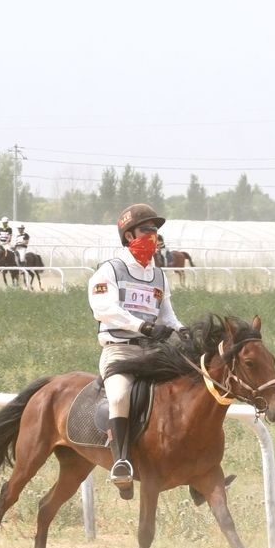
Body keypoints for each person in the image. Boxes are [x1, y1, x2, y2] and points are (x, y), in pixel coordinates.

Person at [86, 204, 187, 499]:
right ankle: (121, 461)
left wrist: (184, 332)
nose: (153, 235)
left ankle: (194, 469)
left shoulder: (159, 275)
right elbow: (105, 310)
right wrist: (142, 327)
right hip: (119, 352)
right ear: (129, 235)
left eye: (156, 231)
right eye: (147, 230)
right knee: (118, 396)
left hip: (152, 353)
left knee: (189, 391)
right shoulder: (109, 270)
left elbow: (167, 316)